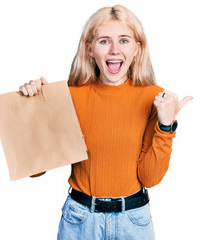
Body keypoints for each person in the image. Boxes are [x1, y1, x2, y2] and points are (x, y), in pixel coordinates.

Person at [18, 5, 193, 240]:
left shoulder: (155, 99)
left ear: (137, 49)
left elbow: (150, 178)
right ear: (90, 49)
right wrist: (35, 108)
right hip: (79, 221)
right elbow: (35, 171)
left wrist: (166, 126)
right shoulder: (71, 97)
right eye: (104, 41)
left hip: (134, 221)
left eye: (123, 40)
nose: (114, 50)